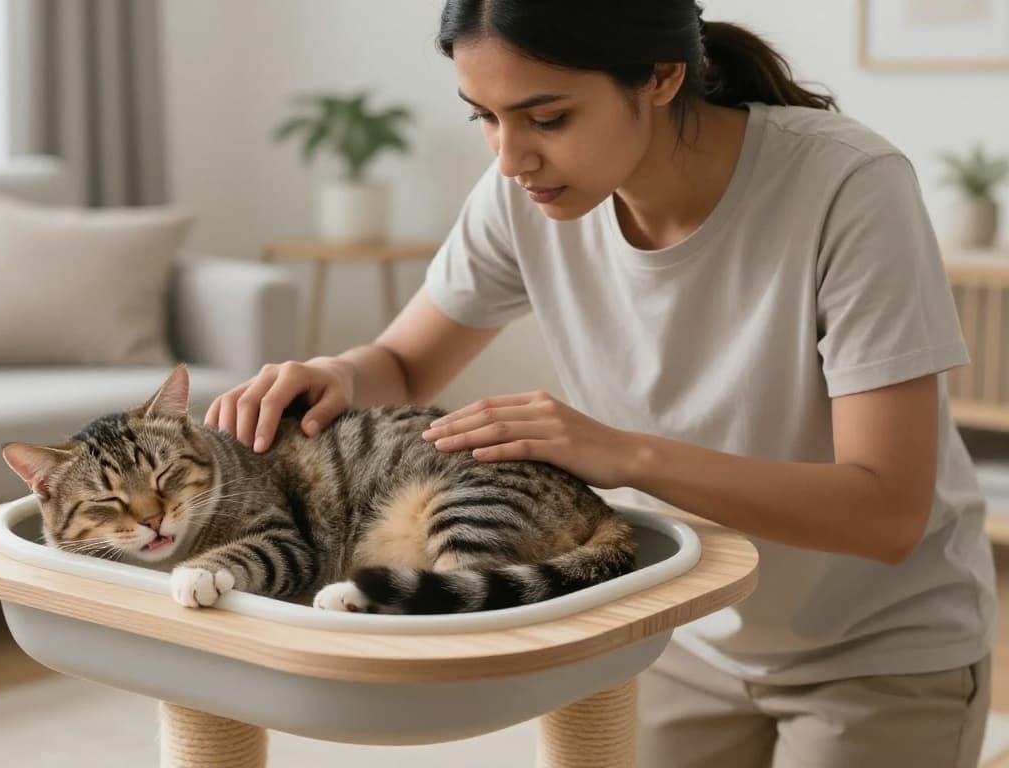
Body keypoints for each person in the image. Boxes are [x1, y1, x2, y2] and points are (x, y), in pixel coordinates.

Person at [205, 2, 995, 765]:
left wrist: (621, 455)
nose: (510, 158)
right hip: (676, 620)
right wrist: (339, 371)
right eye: (483, 116)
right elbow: (407, 365)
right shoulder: (520, 199)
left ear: (658, 76)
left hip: (878, 646)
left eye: (546, 118)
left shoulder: (847, 185)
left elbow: (887, 510)